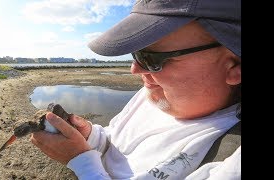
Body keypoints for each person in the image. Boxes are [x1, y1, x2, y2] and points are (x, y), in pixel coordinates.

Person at [30, 0, 241, 179]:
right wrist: (91, 137)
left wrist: (82, 163)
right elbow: (116, 141)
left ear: (234, 66)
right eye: (136, 53)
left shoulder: (231, 161)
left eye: (152, 59)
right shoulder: (153, 93)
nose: (135, 69)